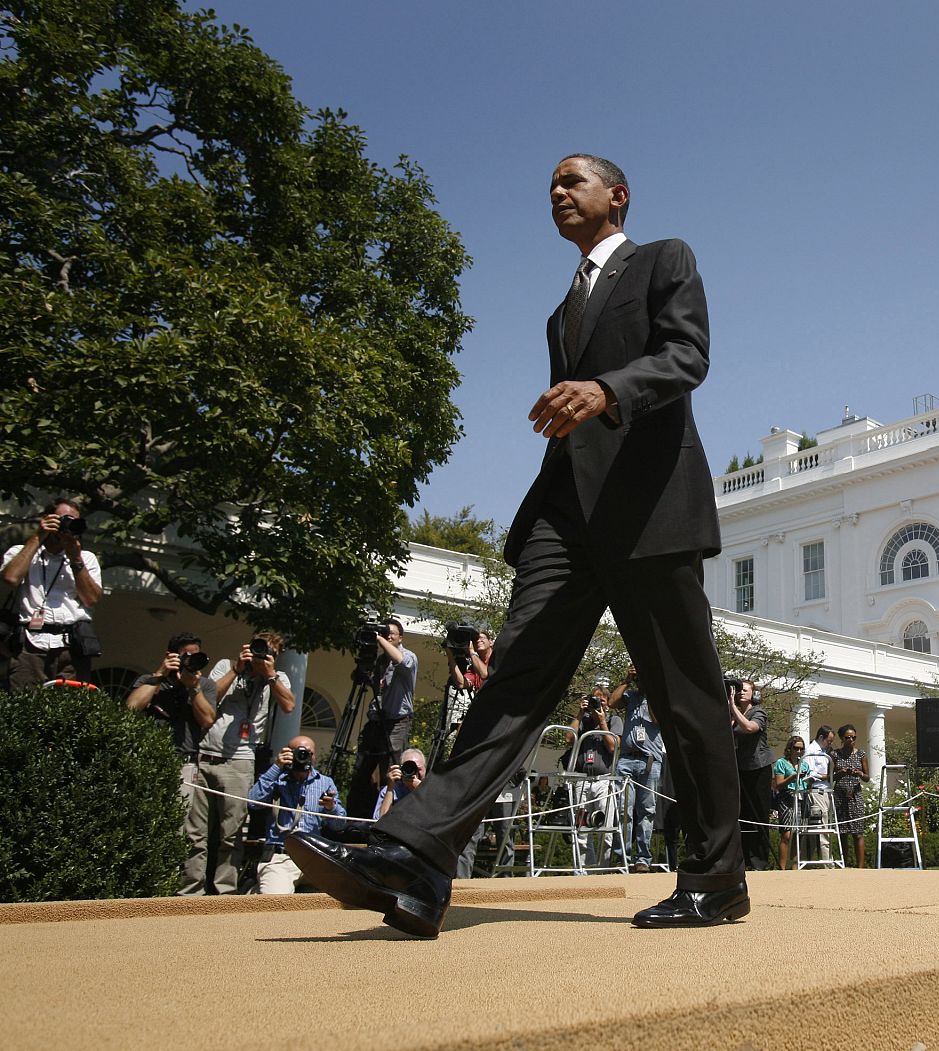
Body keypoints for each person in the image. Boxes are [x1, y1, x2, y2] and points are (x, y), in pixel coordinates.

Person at [288, 154, 747, 934]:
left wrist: (607, 390)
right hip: (565, 518)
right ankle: (417, 856)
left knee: (686, 695)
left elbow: (687, 355)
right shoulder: (560, 312)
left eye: (573, 181)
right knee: (513, 680)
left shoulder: (664, 259)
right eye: (550, 187)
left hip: (648, 512)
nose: (558, 193)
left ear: (618, 195)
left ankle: (716, 878)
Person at [185, 632, 295, 894]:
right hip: (207, 755)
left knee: (231, 834)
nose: (261, 656)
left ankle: (225, 893)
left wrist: (270, 675)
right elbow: (208, 699)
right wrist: (236, 669)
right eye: (258, 649)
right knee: (195, 834)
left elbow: (289, 705)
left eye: (269, 653)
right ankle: (190, 892)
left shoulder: (277, 678)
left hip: (241, 760)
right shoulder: (226, 666)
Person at [3, 497, 102, 688]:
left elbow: (91, 599)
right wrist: (38, 536)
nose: (67, 525)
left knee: (70, 704)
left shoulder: (86, 558)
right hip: (31, 643)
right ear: (47, 519)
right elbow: (11, 578)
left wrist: (75, 558)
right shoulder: (22, 551)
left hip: (71, 645)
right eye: (63, 519)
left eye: (74, 521)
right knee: (24, 701)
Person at [248, 736, 345, 894]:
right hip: (280, 857)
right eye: (298, 752)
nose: (303, 756)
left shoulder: (325, 783)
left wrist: (331, 808)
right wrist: (276, 767)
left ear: (314, 756)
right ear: (288, 753)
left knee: (340, 897)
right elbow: (253, 803)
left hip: (314, 857)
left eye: (308, 753)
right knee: (276, 903)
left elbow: (339, 826)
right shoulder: (276, 780)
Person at [348, 618, 418, 825]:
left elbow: (401, 661)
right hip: (376, 721)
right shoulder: (380, 661)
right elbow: (361, 679)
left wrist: (379, 638)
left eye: (391, 634)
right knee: (362, 770)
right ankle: (354, 819)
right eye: (384, 633)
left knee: (391, 772)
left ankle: (387, 819)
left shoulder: (408, 656)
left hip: (396, 722)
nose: (387, 636)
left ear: (400, 637)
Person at [126, 633, 216, 785]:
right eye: (186, 656)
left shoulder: (205, 685)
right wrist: (160, 674)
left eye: (195, 656)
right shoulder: (149, 680)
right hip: (149, 758)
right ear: (170, 656)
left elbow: (207, 721)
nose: (190, 661)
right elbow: (131, 708)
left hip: (185, 763)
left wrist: (194, 688)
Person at [611, 664, 666, 872]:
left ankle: (643, 858)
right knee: (623, 810)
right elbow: (612, 702)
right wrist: (627, 680)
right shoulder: (631, 696)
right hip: (626, 759)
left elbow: (657, 718)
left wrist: (650, 689)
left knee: (647, 811)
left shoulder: (659, 697)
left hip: (649, 760)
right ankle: (622, 857)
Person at [571, 686, 624, 868]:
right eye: (594, 700)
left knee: (605, 829)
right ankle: (584, 871)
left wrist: (602, 722)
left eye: (601, 700)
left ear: (607, 703)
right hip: (582, 780)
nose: (597, 704)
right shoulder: (584, 721)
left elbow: (613, 747)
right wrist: (580, 714)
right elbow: (569, 738)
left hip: (604, 781)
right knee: (581, 829)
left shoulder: (613, 720)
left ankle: (603, 870)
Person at [730, 678, 775, 871]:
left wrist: (733, 707)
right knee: (743, 814)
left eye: (745, 690)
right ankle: (745, 859)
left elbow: (749, 727)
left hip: (759, 768)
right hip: (741, 768)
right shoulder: (733, 714)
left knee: (759, 813)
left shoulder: (758, 712)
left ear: (754, 694)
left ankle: (760, 860)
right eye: (738, 690)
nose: (741, 692)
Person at [831, 724, 870, 868]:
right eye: (848, 737)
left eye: (854, 737)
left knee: (858, 832)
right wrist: (841, 773)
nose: (851, 740)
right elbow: (830, 777)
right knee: (842, 833)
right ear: (842, 738)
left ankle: (860, 867)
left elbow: (867, 777)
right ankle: (844, 864)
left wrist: (859, 773)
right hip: (840, 796)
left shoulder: (861, 754)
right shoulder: (835, 754)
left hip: (855, 795)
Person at [771, 735, 808, 870]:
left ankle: (794, 867)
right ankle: (782, 868)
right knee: (786, 834)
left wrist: (811, 779)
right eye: (796, 748)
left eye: (801, 749)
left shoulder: (804, 764)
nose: (798, 751)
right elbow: (778, 784)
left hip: (802, 797)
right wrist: (793, 777)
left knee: (799, 834)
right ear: (789, 749)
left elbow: (808, 781)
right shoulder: (781, 763)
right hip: (786, 797)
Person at [801, 725, 836, 864]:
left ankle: (812, 860)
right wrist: (827, 776)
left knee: (822, 827)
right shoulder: (811, 751)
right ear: (821, 737)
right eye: (829, 741)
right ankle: (827, 862)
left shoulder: (823, 752)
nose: (830, 744)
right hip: (817, 792)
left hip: (825, 791)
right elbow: (809, 774)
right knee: (823, 828)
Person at [376, 749, 428, 819]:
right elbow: (380, 820)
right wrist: (390, 788)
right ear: (401, 769)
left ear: (425, 769)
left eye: (418, 769)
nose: (414, 772)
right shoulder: (391, 789)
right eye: (409, 768)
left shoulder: (433, 789)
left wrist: (421, 790)